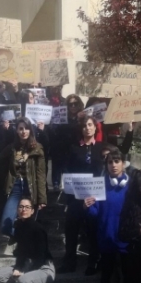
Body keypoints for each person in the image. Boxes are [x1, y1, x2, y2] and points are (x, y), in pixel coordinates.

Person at [85, 149, 139, 283]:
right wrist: (88, 206)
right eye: (110, 162)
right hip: (106, 238)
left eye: (117, 161)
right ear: (106, 165)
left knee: (130, 279)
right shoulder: (99, 185)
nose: (113, 165)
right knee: (106, 279)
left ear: (124, 163)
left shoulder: (133, 185)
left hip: (127, 240)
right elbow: (95, 214)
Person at [57, 116, 106, 274]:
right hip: (76, 196)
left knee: (92, 231)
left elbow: (117, 158)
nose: (87, 128)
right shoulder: (73, 148)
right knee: (71, 230)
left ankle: (93, 263)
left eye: (90, 125)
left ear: (95, 128)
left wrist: (130, 130)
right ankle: (69, 262)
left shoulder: (102, 148)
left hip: (95, 197)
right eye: (84, 125)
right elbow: (67, 169)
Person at [49, 94, 83, 191]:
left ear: (79, 104)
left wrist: (79, 120)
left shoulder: (82, 118)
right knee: (57, 172)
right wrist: (53, 122)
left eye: (75, 104)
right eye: (70, 104)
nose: (73, 106)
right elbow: (55, 132)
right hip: (60, 148)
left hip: (75, 149)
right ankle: (56, 185)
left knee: (70, 175)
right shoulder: (61, 116)